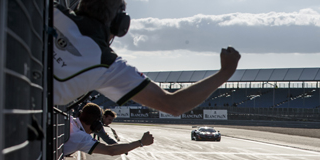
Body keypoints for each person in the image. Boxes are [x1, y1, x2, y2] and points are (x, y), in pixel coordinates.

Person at [53, 0, 241, 116]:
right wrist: (225, 72)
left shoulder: (49, 11)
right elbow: (174, 105)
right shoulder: (108, 65)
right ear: (120, 26)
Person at [64, 103, 153, 156]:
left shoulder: (68, 119)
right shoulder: (81, 137)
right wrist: (141, 142)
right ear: (96, 126)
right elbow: (110, 150)